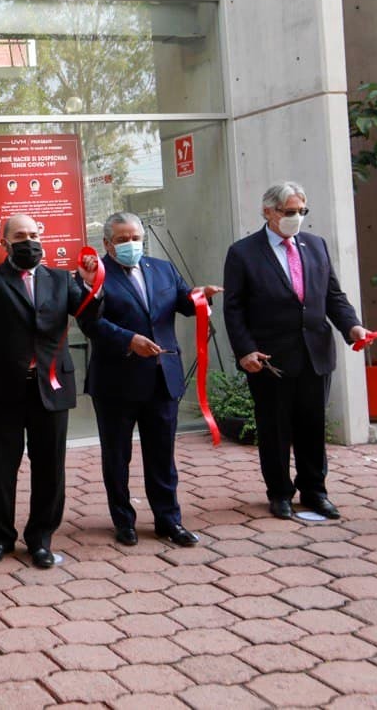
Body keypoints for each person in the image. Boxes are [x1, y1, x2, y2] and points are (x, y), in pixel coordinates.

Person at [223, 182, 370, 520]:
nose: (296, 218)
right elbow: (234, 308)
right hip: (270, 359)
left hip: (315, 353)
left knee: (312, 425)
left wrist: (353, 327)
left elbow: (333, 296)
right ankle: (279, 493)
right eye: (289, 212)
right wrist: (245, 351)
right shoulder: (243, 252)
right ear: (268, 211)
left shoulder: (316, 246)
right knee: (274, 428)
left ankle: (315, 491)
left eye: (302, 211)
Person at [0, 214, 99, 568]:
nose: (30, 241)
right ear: (7, 243)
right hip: (4, 387)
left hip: (50, 387)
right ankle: (1, 537)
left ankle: (40, 538)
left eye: (34, 234)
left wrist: (89, 286)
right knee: (3, 465)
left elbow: (90, 318)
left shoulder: (60, 279)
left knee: (50, 466)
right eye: (21, 236)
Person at [80, 212, 221, 548]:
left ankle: (168, 520)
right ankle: (123, 520)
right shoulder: (93, 273)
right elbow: (90, 323)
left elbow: (185, 303)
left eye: (136, 238)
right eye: (123, 239)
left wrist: (201, 297)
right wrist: (129, 339)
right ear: (108, 244)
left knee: (162, 454)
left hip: (162, 376)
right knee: (117, 456)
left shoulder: (163, 269)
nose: (131, 244)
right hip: (116, 380)